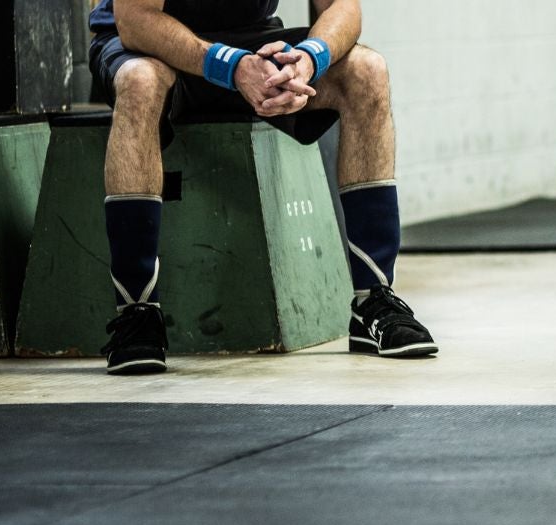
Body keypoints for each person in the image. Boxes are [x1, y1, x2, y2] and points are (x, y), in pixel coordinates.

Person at [87, 0, 437, 375]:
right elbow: (136, 21)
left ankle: (374, 299)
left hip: (252, 46)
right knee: (139, 81)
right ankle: (136, 312)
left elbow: (343, 8)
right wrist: (231, 65)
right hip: (152, 46)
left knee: (367, 70)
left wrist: (308, 58)